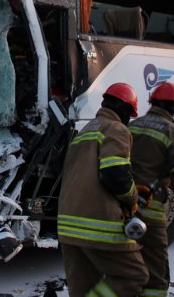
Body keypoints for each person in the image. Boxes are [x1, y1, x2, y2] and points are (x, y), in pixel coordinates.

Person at [58, 82, 149, 297]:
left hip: (68, 226)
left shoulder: (83, 132)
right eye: (130, 114)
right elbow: (115, 175)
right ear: (126, 109)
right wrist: (133, 198)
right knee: (134, 276)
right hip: (98, 223)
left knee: (82, 288)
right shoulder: (116, 128)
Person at [128, 82, 174, 297]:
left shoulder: (132, 125)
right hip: (150, 210)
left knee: (125, 262)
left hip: (123, 206)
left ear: (152, 103)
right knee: (157, 269)